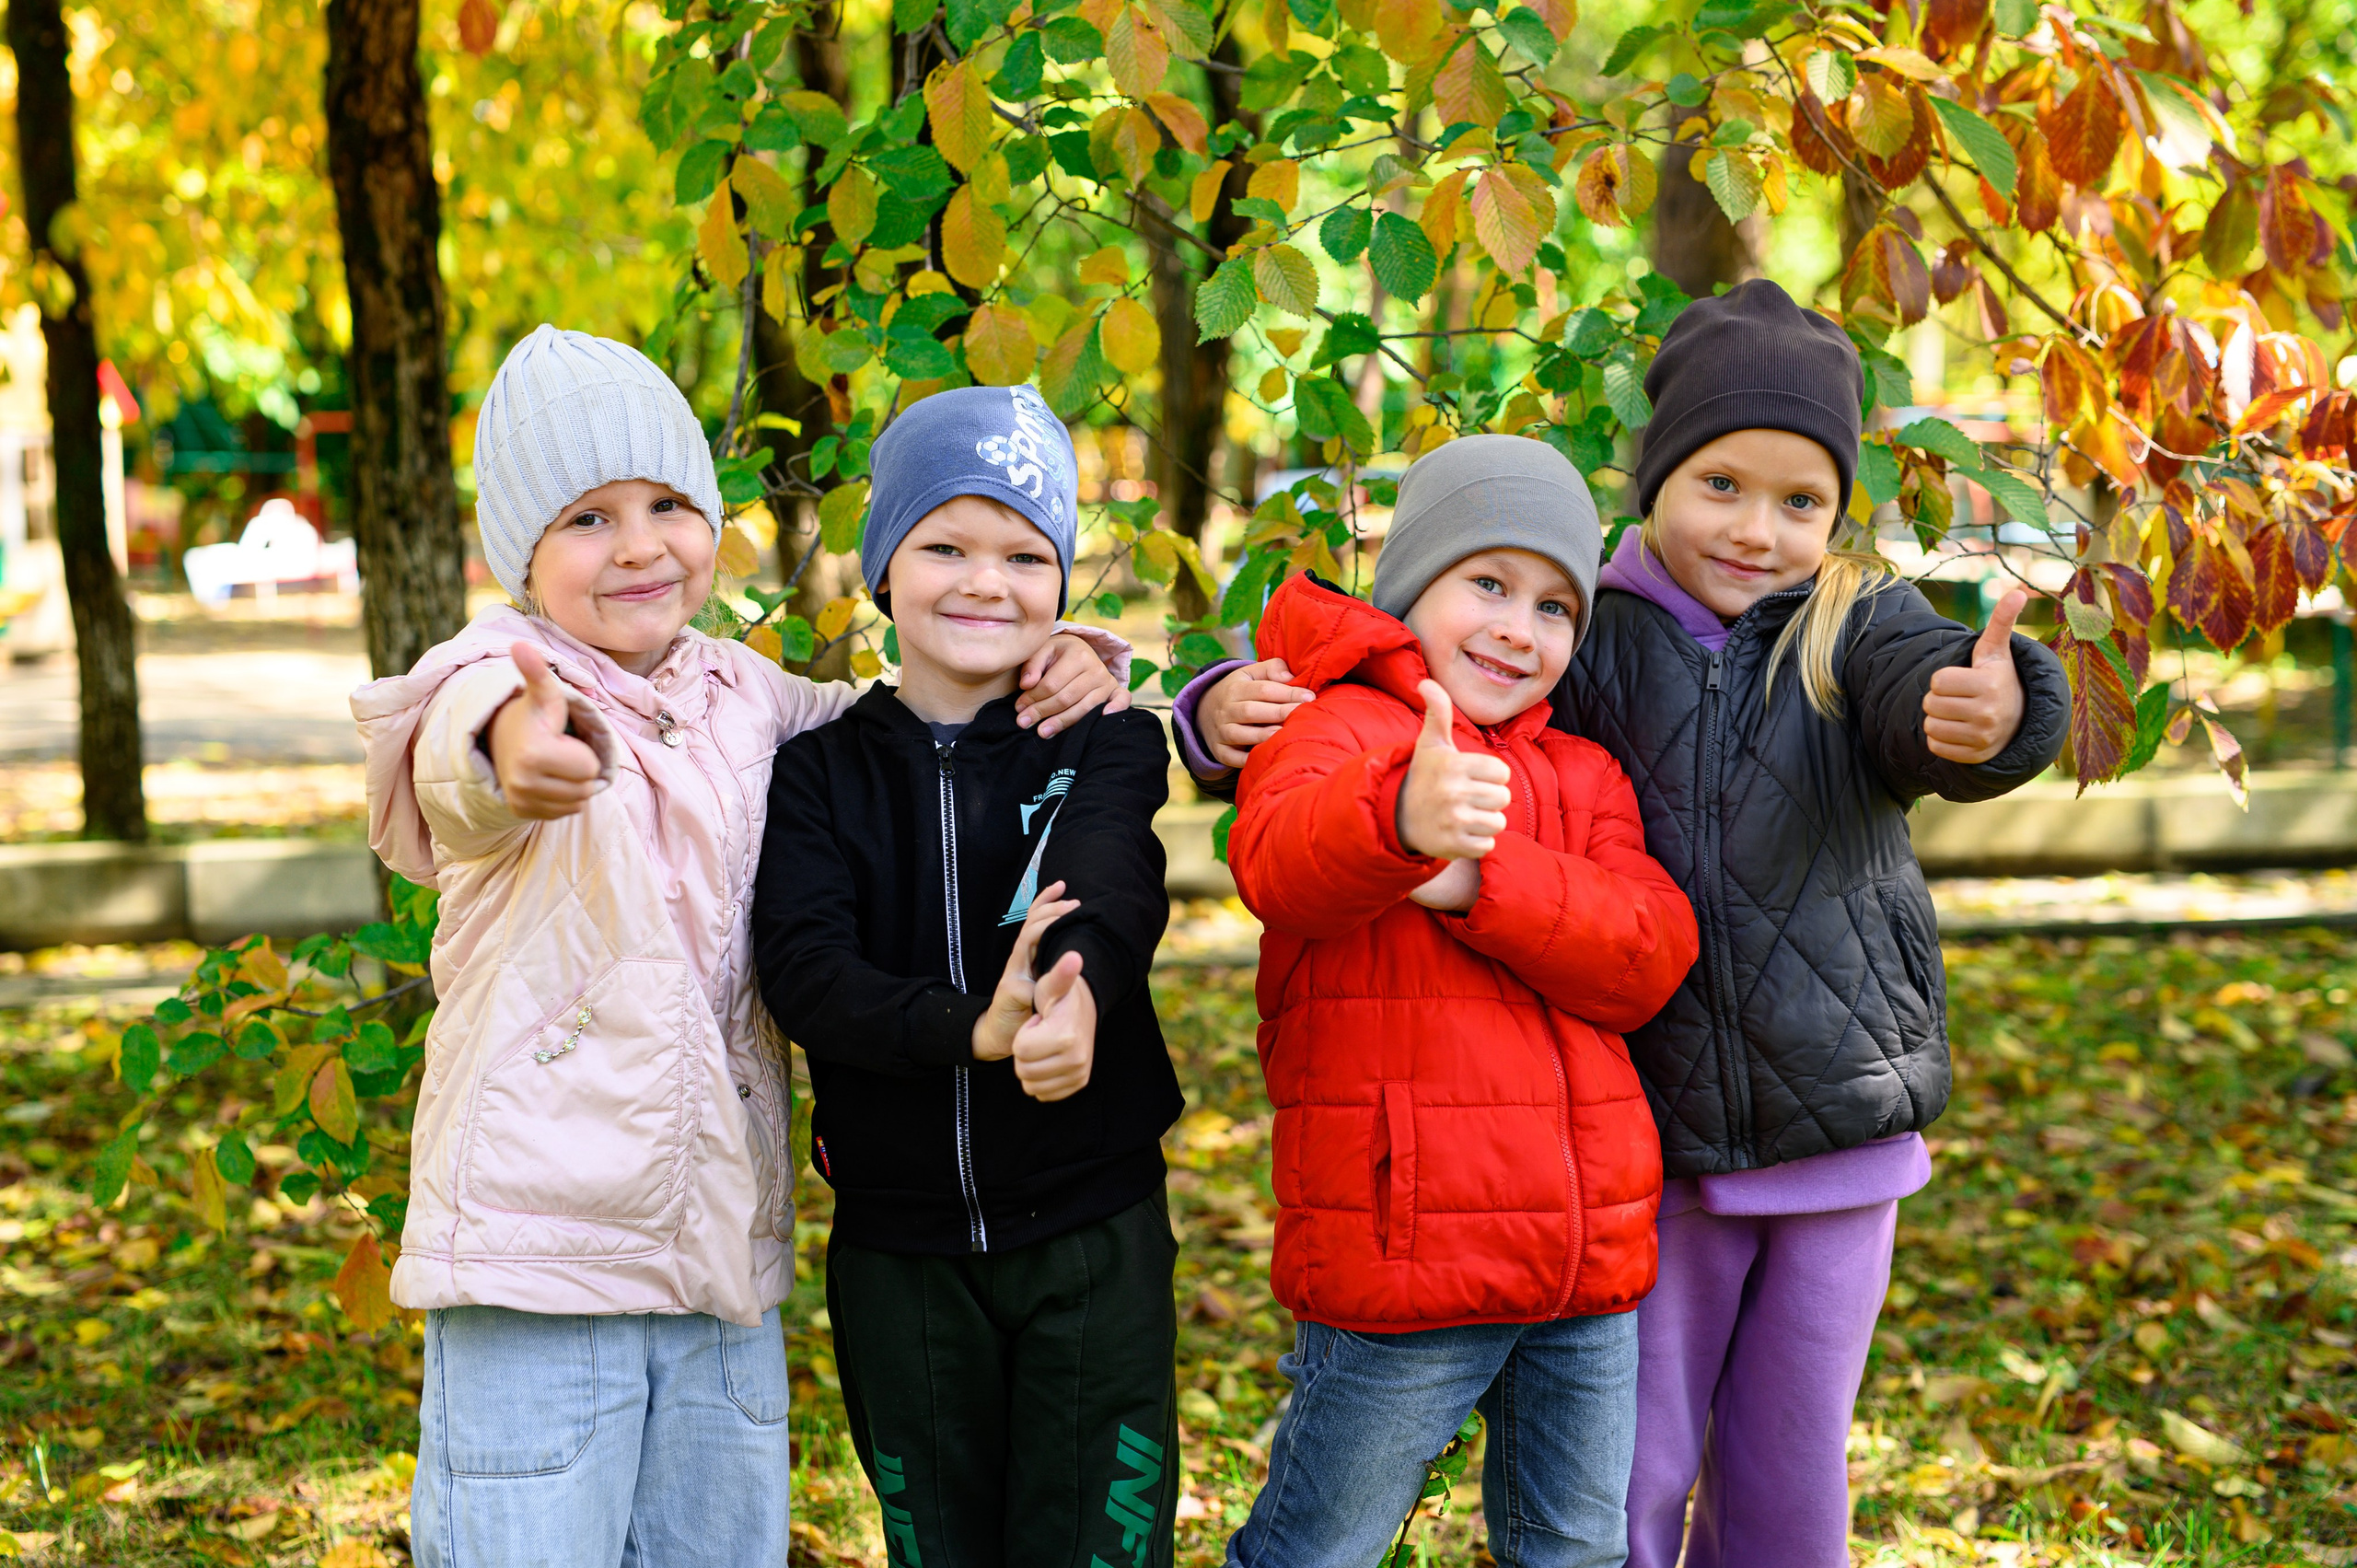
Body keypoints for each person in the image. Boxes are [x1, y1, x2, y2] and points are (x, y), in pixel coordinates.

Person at [1178, 280, 2071, 1568]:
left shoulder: (1851, 622)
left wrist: (1994, 712)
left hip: (1843, 1120)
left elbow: (1927, 692)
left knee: (1788, 1459)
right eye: (1722, 484)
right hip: (1661, 1139)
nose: (1758, 529)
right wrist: (1218, 711)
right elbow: (1385, 693)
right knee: (1632, 1463)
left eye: (1801, 499)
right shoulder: (1588, 629)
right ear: (1655, 477)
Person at [352, 331, 1128, 1568]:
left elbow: (917, 721)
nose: (641, 544)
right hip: (542, 1254)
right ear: (520, 555)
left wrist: (1071, 657)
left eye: (667, 504)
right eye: (587, 519)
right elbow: (449, 744)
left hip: (721, 1256)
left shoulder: (755, 696)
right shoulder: (503, 672)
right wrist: (511, 752)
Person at [1219, 436, 1700, 1568]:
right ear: (1411, 586)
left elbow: (1647, 953)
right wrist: (1398, 823)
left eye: (1552, 607)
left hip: (1586, 1262)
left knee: (1575, 1547)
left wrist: (1481, 873)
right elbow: (1277, 859)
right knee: (1319, 1543)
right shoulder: (1331, 726)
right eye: (1485, 582)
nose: (1516, 628)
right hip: (1406, 1246)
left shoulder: (1585, 774)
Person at [751, 383, 1185, 1568]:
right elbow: (804, 970)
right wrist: (968, 1029)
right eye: (944, 543)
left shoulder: (1106, 737)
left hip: (1095, 1233)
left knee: (1098, 1542)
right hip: (900, 1252)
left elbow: (1113, 875)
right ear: (885, 566)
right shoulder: (816, 774)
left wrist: (1078, 987)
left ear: (1061, 582)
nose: (984, 581)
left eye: (1024, 553)